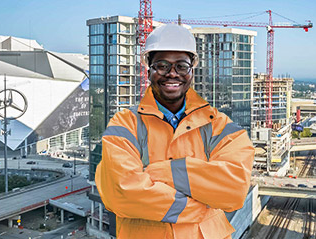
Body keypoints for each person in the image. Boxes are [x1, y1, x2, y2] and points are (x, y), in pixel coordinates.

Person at [95, 24, 255, 239]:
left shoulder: (220, 126)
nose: (172, 74)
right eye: (162, 65)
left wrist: (160, 173)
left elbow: (234, 190)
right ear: (148, 69)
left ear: (191, 70)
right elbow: (122, 193)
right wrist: (200, 207)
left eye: (181, 66)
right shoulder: (125, 125)